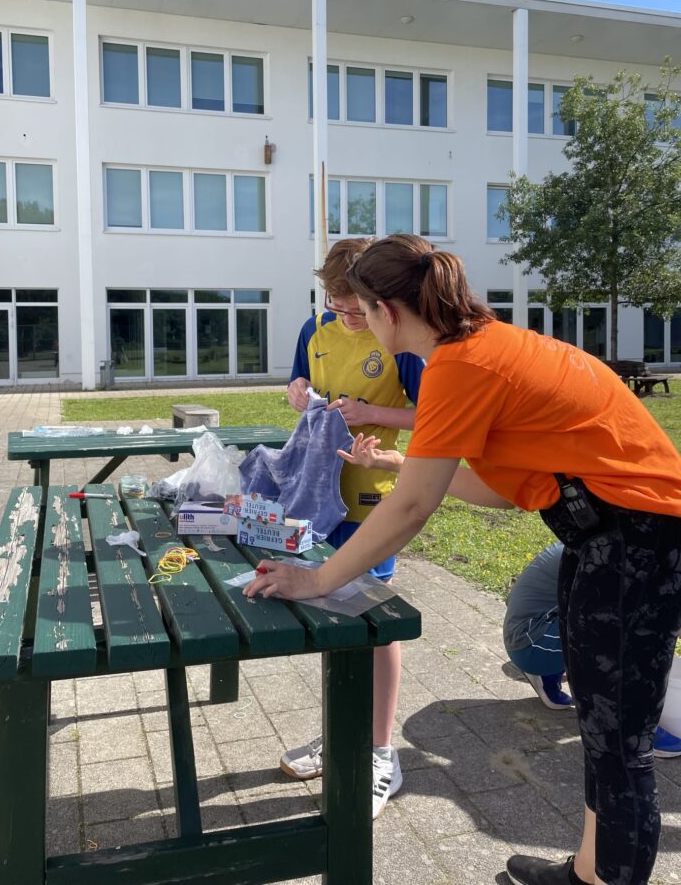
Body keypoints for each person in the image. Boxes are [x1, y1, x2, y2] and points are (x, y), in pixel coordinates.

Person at [245, 234, 681, 885]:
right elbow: (502, 490)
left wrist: (318, 578)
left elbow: (410, 510)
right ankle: (589, 872)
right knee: (603, 728)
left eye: (362, 310)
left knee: (619, 742)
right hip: (609, 536)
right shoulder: (481, 346)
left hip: (637, 540)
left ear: (389, 311)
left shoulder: (460, 364)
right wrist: (404, 463)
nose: (358, 323)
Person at [280, 237, 425, 819]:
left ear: (377, 301)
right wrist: (295, 393)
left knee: (374, 622)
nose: (344, 317)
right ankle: (343, 731)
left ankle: (381, 752)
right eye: (335, 305)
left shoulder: (399, 337)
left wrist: (372, 414)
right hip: (315, 497)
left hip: (371, 501)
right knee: (330, 617)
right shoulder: (314, 328)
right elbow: (298, 386)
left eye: (355, 310)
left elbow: (432, 414)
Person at [507, 544, 681, 757]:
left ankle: (547, 672)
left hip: (525, 634)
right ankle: (634, 730)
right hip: (532, 644)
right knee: (627, 637)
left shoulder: (607, 539)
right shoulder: (617, 554)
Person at [504, 542, 574, 710]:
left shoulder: (574, 543)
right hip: (531, 648)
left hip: (522, 637)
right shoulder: (592, 554)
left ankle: (550, 672)